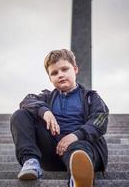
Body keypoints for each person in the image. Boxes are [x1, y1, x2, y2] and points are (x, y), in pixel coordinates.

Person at [10, 49, 109, 187]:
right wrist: (44, 111)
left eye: (64, 69)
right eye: (54, 73)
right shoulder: (47, 97)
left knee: (79, 150)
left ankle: (79, 177)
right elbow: (27, 101)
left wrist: (75, 135)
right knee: (19, 115)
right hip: (53, 152)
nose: (60, 75)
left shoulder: (91, 97)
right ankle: (31, 162)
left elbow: (100, 119)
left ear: (75, 69)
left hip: (83, 148)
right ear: (50, 78)